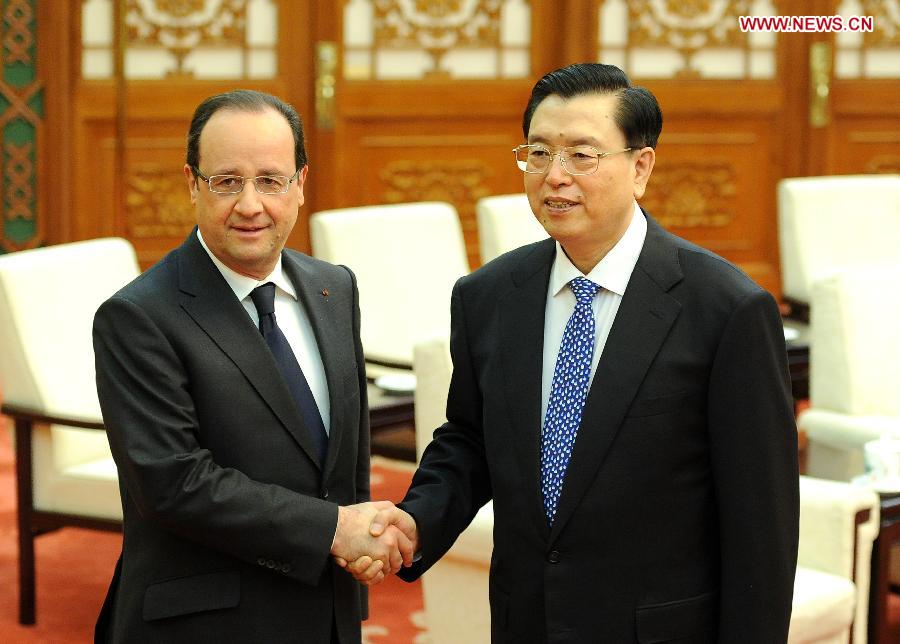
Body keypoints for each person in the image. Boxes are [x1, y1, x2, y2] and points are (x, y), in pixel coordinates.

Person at [356, 63, 799, 642]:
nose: (554, 176)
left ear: (640, 167)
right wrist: (413, 522)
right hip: (529, 621)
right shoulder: (488, 296)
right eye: (538, 153)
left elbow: (761, 525)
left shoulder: (726, 309)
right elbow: (471, 441)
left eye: (581, 156)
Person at [93, 89, 412, 644]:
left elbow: (345, 453)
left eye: (270, 180)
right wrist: (335, 531)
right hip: (204, 622)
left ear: (300, 185)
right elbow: (174, 483)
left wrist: (357, 559)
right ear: (192, 183)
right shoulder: (138, 316)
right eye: (226, 181)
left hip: (324, 610)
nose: (250, 204)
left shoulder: (334, 287)